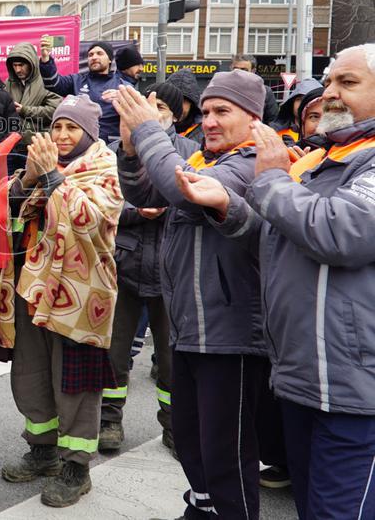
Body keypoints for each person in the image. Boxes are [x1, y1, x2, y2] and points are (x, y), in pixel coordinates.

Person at [175, 44, 375, 520]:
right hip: (305, 379)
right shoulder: (320, 160)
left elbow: (340, 232)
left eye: (348, 83)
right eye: (329, 82)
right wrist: (228, 206)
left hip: (354, 389)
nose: (329, 94)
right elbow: (277, 237)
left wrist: (269, 183)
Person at [113, 72, 269, 519]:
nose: (211, 121)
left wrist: (146, 130)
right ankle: (202, 508)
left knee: (227, 452)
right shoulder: (205, 156)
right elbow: (147, 190)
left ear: (254, 118)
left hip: (231, 334)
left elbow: (181, 195)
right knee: (193, 440)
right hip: (191, 329)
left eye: (223, 111)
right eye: (206, 111)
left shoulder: (253, 161)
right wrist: (130, 148)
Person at [0, 95, 123, 508]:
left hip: (80, 296)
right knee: (31, 376)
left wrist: (50, 176)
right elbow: (8, 214)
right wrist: (29, 179)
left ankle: (76, 467)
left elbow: (89, 222)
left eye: (73, 128)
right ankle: (43, 450)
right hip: (33, 290)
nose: (63, 135)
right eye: (58, 127)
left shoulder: (104, 170)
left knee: (75, 385)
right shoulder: (50, 165)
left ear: (90, 133)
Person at [99, 82, 198, 455]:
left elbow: (200, 202)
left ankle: (174, 425)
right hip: (123, 265)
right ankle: (110, 420)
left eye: (160, 106)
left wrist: (169, 206)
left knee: (172, 359)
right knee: (115, 352)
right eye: (146, 104)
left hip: (173, 269)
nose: (152, 112)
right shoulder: (116, 151)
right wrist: (137, 211)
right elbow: (105, 206)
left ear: (176, 114)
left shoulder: (192, 151)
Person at [40, 39, 138, 142]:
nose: (94, 57)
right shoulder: (77, 80)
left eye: (99, 54)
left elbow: (138, 113)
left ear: (110, 59)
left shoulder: (122, 85)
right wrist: (46, 60)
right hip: (83, 143)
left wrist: (124, 98)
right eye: (90, 55)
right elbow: (53, 83)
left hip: (111, 146)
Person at [4, 41, 61, 171]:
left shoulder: (46, 81)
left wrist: (25, 110)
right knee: (9, 187)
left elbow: (55, 111)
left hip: (37, 148)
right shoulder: (7, 83)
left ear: (31, 63)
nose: (18, 69)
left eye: (21, 65)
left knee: (34, 189)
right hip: (11, 149)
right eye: (14, 65)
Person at [230, 54, 278, 125]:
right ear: (231, 69)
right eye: (236, 69)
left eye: (244, 70)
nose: (239, 73)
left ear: (253, 71)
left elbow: (273, 121)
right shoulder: (222, 90)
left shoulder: (265, 92)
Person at [272, 77, 323, 146]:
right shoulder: (274, 133)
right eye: (300, 99)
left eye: (311, 100)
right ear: (292, 103)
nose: (304, 104)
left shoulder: (332, 137)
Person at [169, 68, 205, 145]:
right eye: (173, 99)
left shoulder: (206, 130)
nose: (177, 105)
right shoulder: (156, 126)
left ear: (192, 104)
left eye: (183, 101)